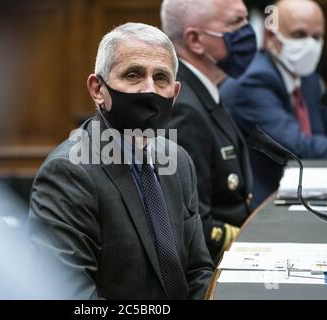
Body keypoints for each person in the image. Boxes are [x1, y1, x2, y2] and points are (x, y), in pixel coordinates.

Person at [28, 22, 214, 300]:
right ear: (97, 89)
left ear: (174, 94)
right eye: (133, 75)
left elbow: (198, 270)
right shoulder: (69, 172)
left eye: (160, 78)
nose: (148, 90)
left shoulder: (178, 160)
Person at [160, 0, 255, 261]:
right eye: (236, 22)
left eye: (246, 19)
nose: (248, 31)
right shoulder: (185, 109)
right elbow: (194, 226)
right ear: (195, 40)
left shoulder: (206, 90)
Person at [220, 0, 327, 207]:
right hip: (266, 201)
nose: (310, 45)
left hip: (309, 189)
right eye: (299, 35)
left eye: (317, 37)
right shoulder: (252, 80)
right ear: (271, 37)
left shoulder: (308, 78)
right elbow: (296, 149)